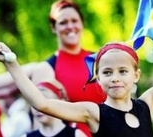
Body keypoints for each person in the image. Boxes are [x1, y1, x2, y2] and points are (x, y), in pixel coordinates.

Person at [0, 0, 153, 136]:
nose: (115, 78)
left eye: (123, 71)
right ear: (97, 77)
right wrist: (11, 63)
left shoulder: (148, 104)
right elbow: (41, 103)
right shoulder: (93, 112)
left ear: (136, 75)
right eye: (107, 72)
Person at [31, 0, 107, 136]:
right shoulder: (46, 68)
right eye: (63, 22)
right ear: (53, 28)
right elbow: (41, 124)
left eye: (74, 20)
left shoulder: (99, 60)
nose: (70, 26)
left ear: (82, 23)